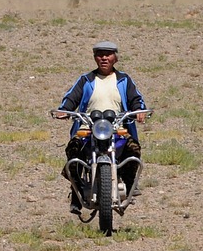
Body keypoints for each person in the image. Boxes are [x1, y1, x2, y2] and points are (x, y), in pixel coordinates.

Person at [54, 40, 148, 214]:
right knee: (73, 152)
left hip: (117, 127)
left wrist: (140, 110)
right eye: (100, 54)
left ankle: (129, 185)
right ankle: (76, 194)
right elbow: (71, 97)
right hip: (87, 127)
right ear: (95, 58)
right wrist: (64, 110)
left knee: (133, 149)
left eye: (108, 54)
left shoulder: (124, 80)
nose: (104, 58)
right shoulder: (86, 80)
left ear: (115, 58)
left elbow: (136, 99)